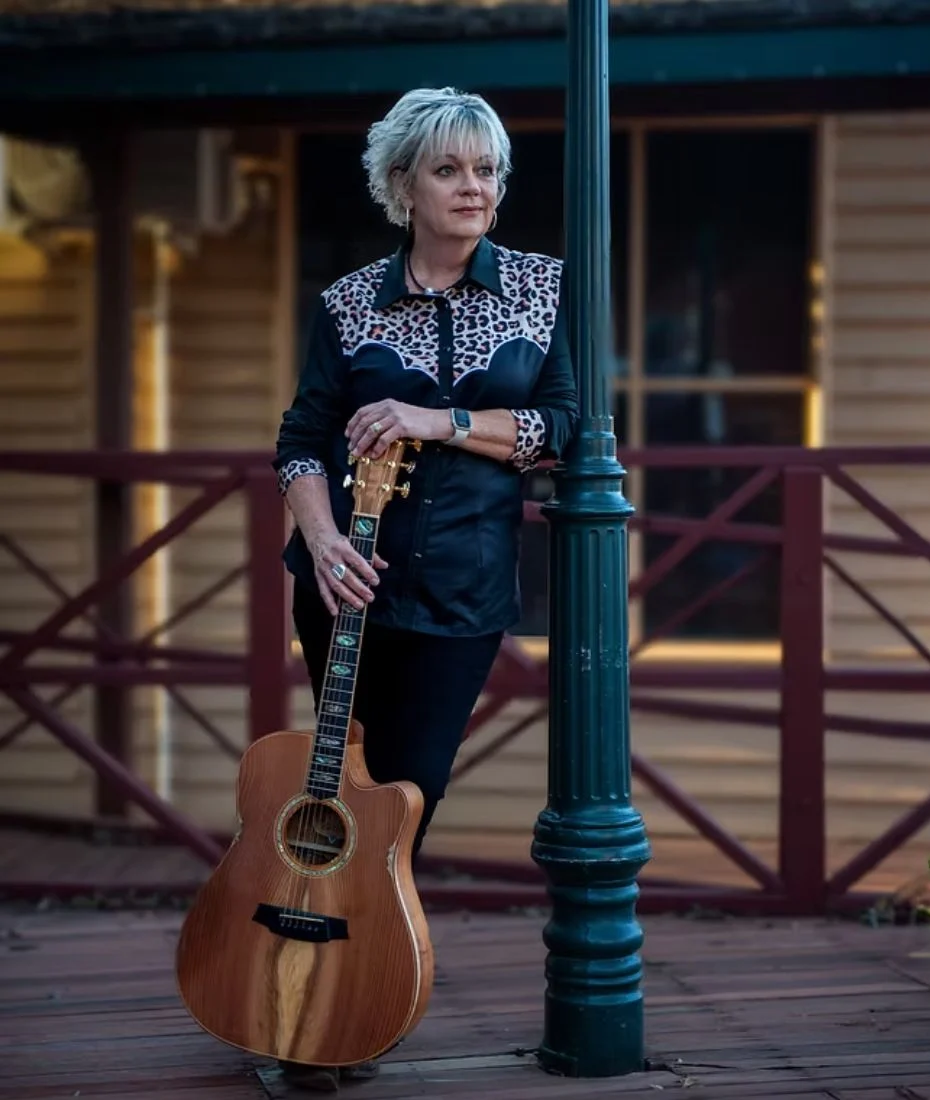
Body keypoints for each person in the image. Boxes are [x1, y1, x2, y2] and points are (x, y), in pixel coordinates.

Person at [271, 87, 578, 1092]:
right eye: (449, 170)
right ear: (403, 185)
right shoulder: (347, 302)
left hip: (460, 595)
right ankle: (301, 1003)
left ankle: (351, 996)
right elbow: (299, 441)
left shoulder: (542, 289)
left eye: (486, 169)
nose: (473, 187)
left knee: (406, 802)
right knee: (332, 796)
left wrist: (434, 418)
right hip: (344, 589)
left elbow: (561, 429)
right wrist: (322, 543)